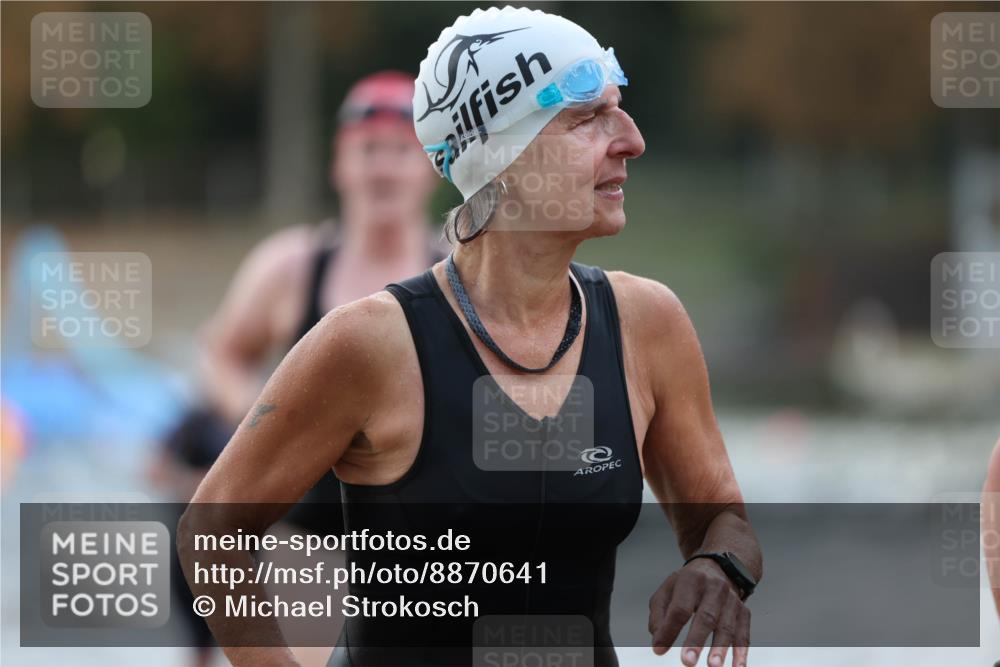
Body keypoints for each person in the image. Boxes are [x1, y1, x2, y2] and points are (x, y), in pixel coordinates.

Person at [179, 7, 762, 667]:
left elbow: (724, 521)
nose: (631, 140)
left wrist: (719, 566)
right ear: (502, 157)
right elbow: (212, 530)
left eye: (618, 111)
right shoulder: (372, 342)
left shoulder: (647, 323)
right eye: (588, 118)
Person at [159, 70, 442, 667]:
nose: (383, 169)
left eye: (400, 152)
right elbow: (221, 351)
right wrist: (256, 412)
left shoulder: (460, 273)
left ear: (431, 167)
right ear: (340, 164)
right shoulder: (291, 266)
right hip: (308, 526)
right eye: (369, 151)